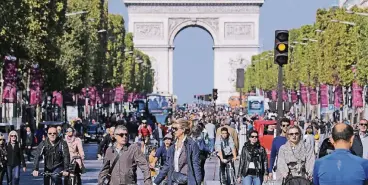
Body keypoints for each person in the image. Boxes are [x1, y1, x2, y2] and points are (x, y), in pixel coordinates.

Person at [153, 118, 202, 185]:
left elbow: (196, 165)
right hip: (174, 181)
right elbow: (167, 165)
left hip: (187, 181)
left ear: (183, 130)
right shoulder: (172, 146)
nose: (173, 131)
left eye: (175, 129)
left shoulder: (192, 145)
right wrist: (156, 182)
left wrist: (198, 182)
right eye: (172, 128)